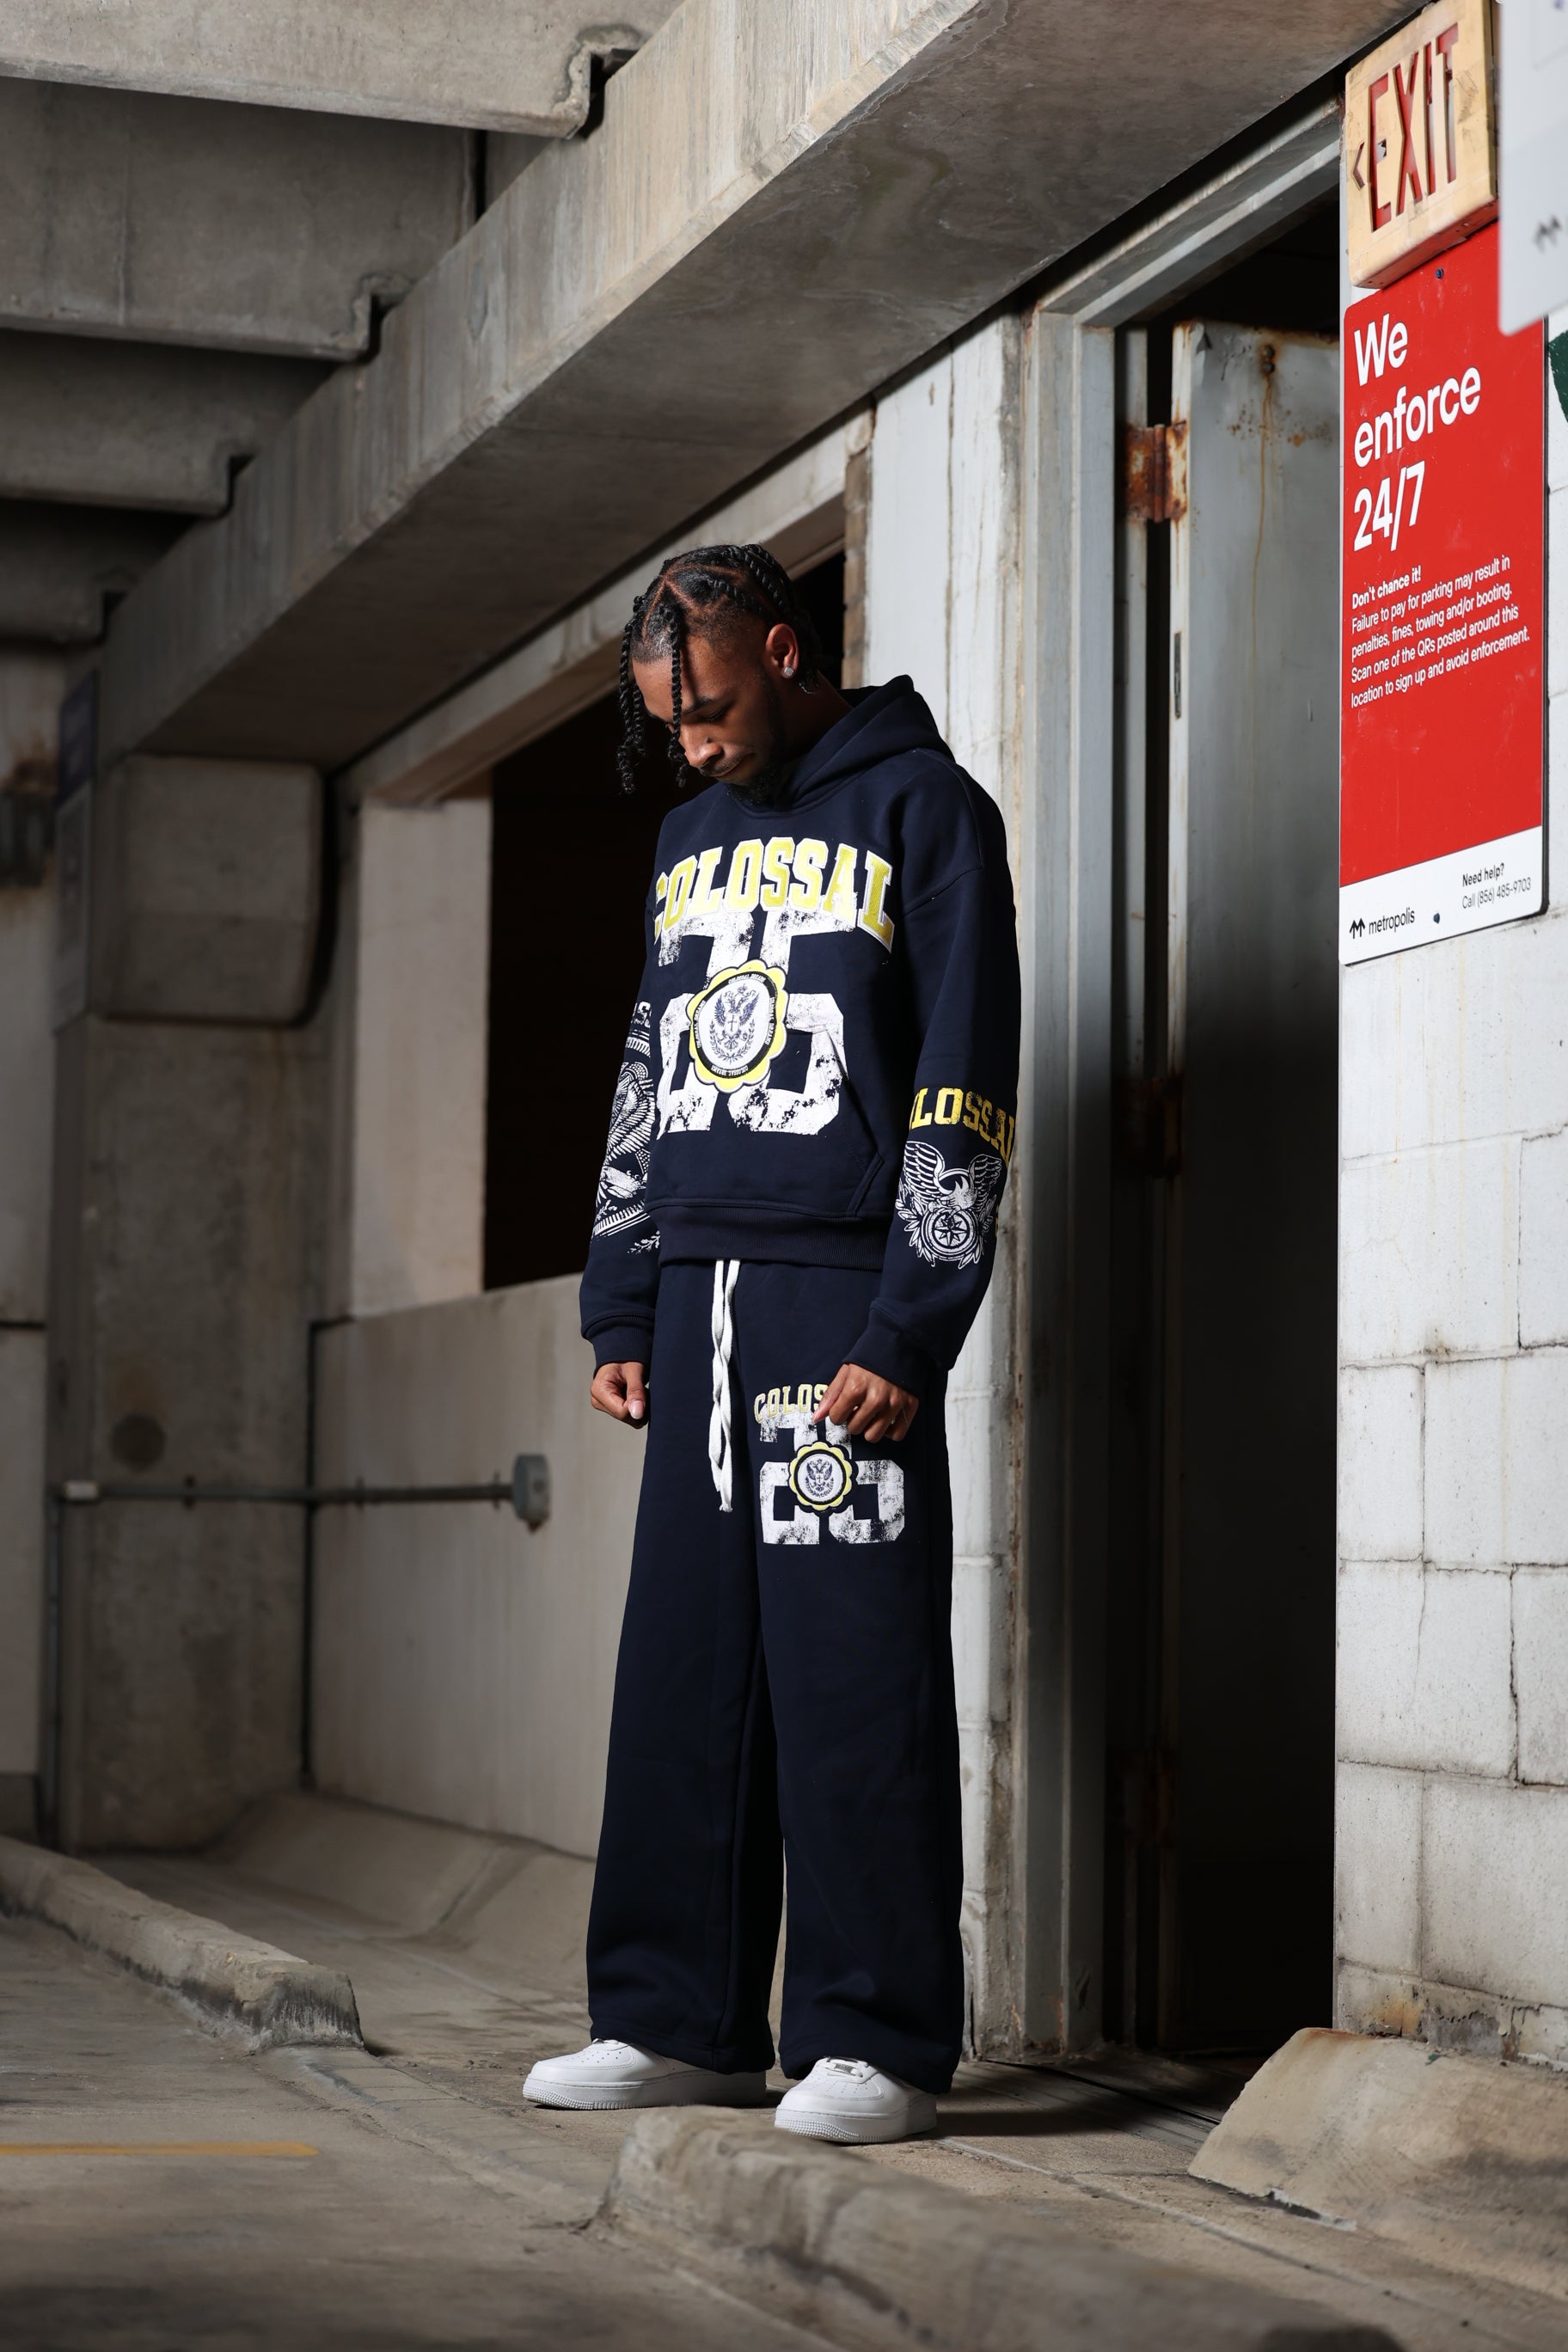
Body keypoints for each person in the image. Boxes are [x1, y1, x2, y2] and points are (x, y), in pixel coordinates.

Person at [524, 543, 1020, 2146]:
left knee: (852, 1668)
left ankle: (874, 2038)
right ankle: (675, 2021)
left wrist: (912, 1323)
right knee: (685, 1671)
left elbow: (964, 1082)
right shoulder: (688, 839)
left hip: (838, 1308)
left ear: (786, 655)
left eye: (714, 710)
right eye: (671, 722)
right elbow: (649, 1068)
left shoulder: (927, 812)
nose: (696, 745)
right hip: (697, 1303)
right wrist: (622, 1293)